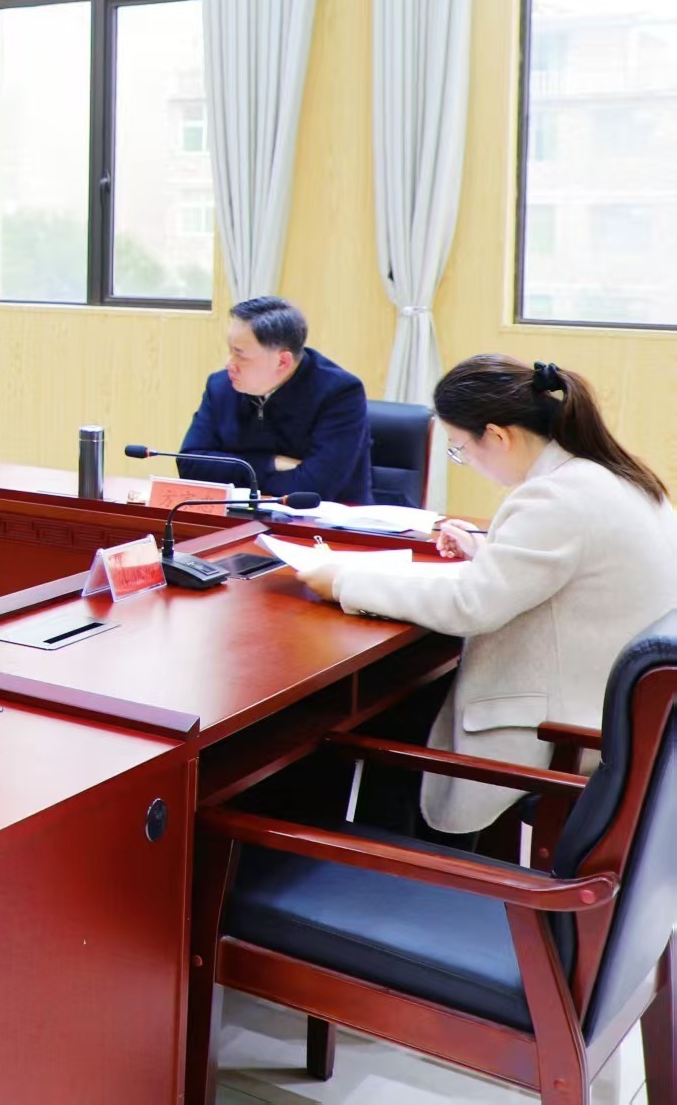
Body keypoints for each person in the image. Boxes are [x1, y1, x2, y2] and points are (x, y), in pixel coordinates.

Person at [299, 357, 677, 836]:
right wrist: (486, 552)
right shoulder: (615, 476)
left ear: (497, 436)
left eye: (460, 448)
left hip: (562, 731)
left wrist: (343, 581)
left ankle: (393, 864)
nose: (467, 461)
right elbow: (566, 571)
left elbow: (470, 605)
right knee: (406, 702)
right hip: (620, 719)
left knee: (374, 719)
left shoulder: (555, 498)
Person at [179, 296, 372, 504]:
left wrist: (232, 472)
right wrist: (270, 463)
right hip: (238, 514)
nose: (229, 364)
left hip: (324, 520)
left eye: (240, 355)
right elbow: (190, 464)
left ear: (282, 361)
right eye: (230, 351)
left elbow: (313, 489)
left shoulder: (339, 393)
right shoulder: (221, 386)